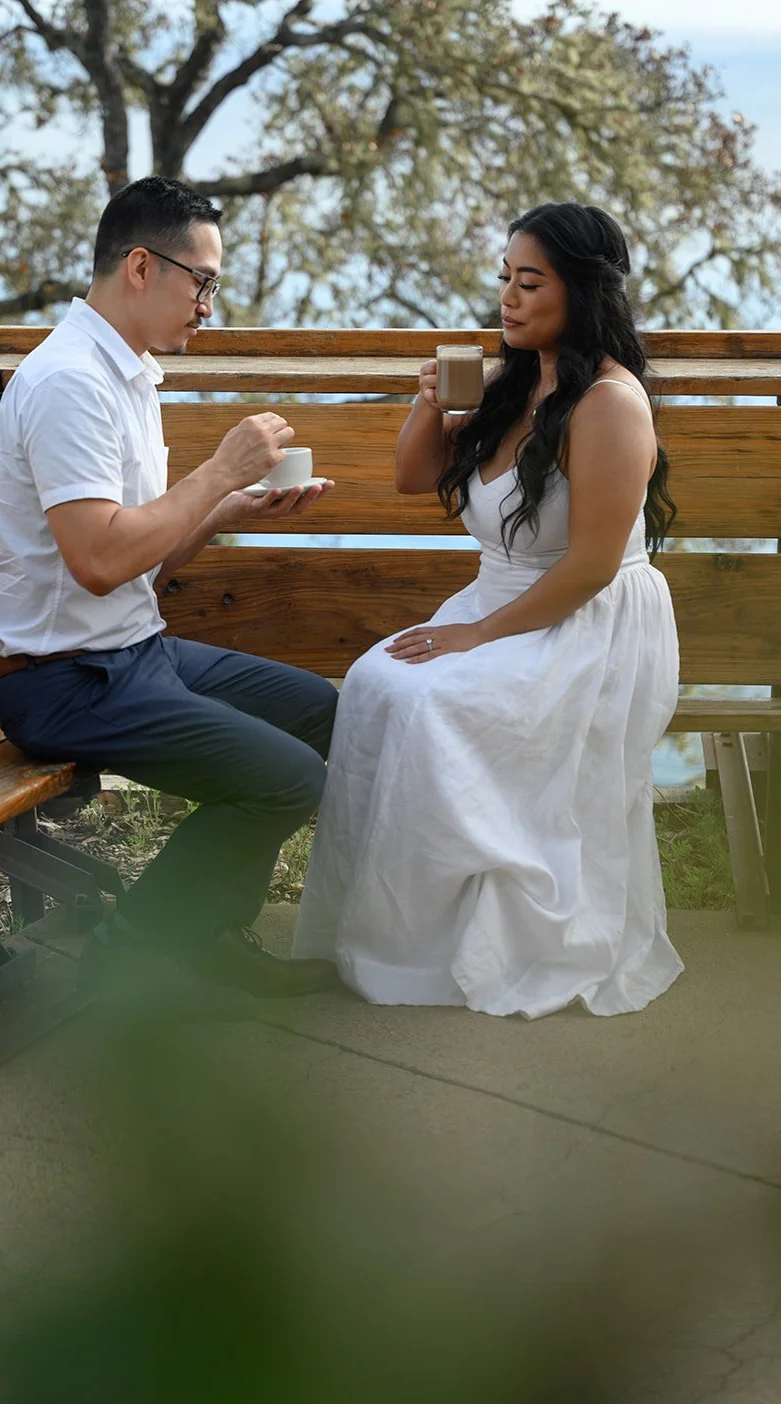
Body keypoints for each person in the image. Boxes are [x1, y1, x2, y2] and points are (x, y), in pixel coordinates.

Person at [293, 203, 684, 1017]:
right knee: (375, 683)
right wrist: (429, 405)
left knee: (431, 703)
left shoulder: (608, 404)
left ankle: (473, 941)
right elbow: (412, 478)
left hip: (584, 618)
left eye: (529, 282)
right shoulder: (518, 383)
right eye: (504, 277)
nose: (507, 297)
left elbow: (591, 566)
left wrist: (474, 636)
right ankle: (399, 941)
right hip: (500, 598)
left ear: (582, 290)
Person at [0, 175, 338, 998]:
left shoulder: (127, 373)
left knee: (318, 712)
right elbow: (98, 562)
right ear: (141, 267)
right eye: (201, 282)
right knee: (287, 777)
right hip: (57, 678)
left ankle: (203, 933)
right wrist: (216, 473)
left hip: (127, 651)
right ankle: (127, 956)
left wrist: (227, 507)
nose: (208, 307)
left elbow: (139, 566)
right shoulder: (70, 383)